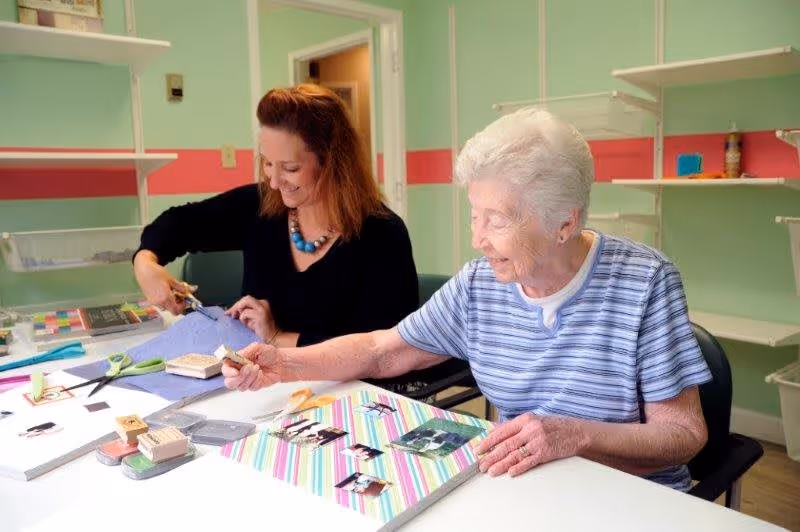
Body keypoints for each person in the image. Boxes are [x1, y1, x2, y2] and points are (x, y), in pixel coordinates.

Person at [221, 108, 712, 492]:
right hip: (524, 490)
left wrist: (574, 435)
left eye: (497, 220)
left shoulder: (645, 282)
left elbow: (684, 436)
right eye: (474, 215)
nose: (477, 238)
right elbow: (381, 349)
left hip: (626, 498)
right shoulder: (481, 284)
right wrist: (283, 363)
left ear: (566, 222)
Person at [133, 84, 418, 347]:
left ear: (334, 163)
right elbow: (179, 223)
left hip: (345, 393)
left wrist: (277, 336)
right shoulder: (261, 206)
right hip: (264, 386)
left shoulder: (382, 234)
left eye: (291, 168)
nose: (273, 181)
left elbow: (381, 350)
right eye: (268, 163)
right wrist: (145, 263)